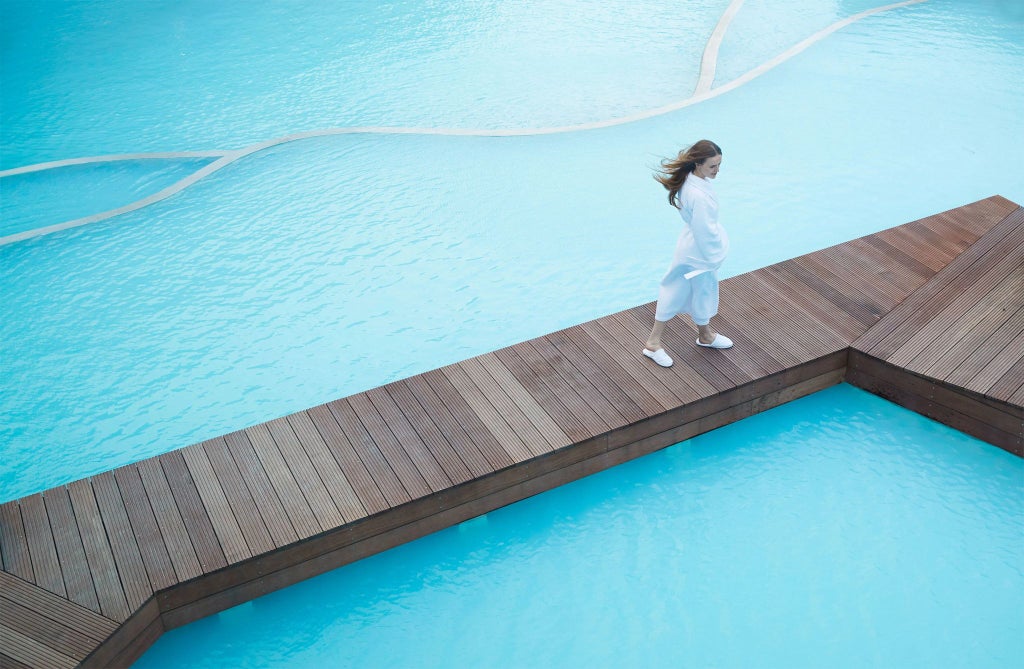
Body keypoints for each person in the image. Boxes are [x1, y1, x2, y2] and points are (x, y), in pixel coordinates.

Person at [642, 139, 732, 368]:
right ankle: (653, 343)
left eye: (719, 164)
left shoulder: (694, 181)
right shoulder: (698, 193)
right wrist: (716, 255)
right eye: (713, 166)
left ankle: (705, 335)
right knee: (677, 291)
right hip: (698, 253)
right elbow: (704, 231)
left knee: (701, 291)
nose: (717, 170)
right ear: (698, 164)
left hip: (693, 247)